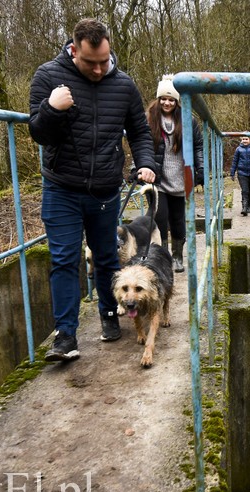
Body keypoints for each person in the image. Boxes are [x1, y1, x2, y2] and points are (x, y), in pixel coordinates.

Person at [29, 18, 156, 362]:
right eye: (90, 63)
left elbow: (141, 133)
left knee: (106, 259)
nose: (100, 69)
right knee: (65, 259)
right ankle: (66, 336)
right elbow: (38, 133)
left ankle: (109, 314)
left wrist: (146, 164)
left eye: (104, 60)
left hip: (105, 190)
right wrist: (51, 108)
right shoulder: (48, 77)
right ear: (74, 50)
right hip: (61, 188)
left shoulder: (125, 85)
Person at [145, 75, 204, 273]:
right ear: (158, 99)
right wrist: (139, 168)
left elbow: (198, 146)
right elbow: (141, 144)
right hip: (158, 178)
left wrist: (201, 169)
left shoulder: (188, 119)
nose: (167, 103)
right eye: (163, 98)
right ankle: (163, 259)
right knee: (159, 219)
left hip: (180, 178)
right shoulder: (149, 118)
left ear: (177, 101)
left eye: (171, 99)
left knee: (178, 221)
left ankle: (178, 256)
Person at [230, 136, 250, 216]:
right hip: (241, 173)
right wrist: (232, 172)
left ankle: (249, 206)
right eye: (243, 139)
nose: (244, 141)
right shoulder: (238, 149)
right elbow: (235, 161)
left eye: (246, 139)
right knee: (245, 190)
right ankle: (244, 207)